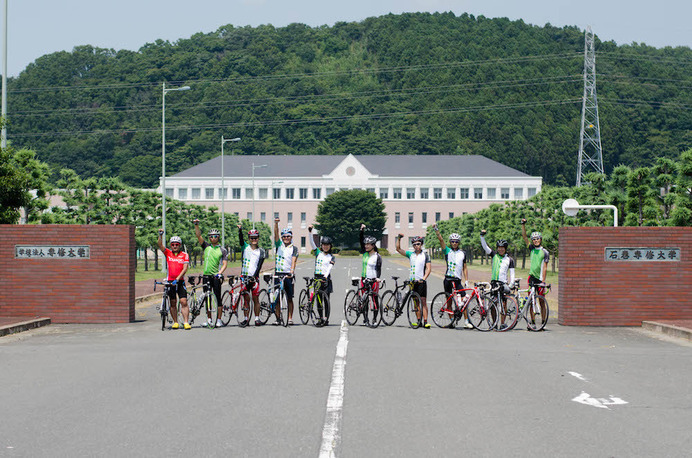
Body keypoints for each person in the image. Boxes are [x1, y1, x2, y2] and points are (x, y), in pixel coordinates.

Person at [433, 223, 472, 329]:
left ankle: (466, 321)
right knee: (449, 301)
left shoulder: (462, 253)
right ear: (450, 242)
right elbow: (441, 240)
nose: (454, 243)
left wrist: (466, 280)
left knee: (464, 300)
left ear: (458, 243)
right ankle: (451, 321)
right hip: (448, 279)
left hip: (458, 280)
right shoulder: (447, 251)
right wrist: (436, 230)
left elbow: (465, 267)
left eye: (456, 242)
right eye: (452, 241)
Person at [194, 219, 228, 328]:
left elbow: (224, 263)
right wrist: (196, 225)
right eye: (211, 236)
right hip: (206, 276)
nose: (213, 238)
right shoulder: (206, 247)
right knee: (207, 297)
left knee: (218, 298)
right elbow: (199, 236)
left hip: (216, 276)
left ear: (218, 237)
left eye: (215, 236)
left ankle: (218, 320)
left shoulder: (222, 250)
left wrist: (220, 273)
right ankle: (209, 319)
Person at [480, 230, 516, 330]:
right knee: (493, 304)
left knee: (504, 304)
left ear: (505, 248)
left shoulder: (509, 259)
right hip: (494, 283)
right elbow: (485, 247)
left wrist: (511, 284)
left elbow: (512, 273)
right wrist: (482, 236)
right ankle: (494, 323)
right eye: (499, 248)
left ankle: (503, 323)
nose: (500, 249)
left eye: (502, 248)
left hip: (503, 283)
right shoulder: (494, 255)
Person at [157, 230, 191, 330]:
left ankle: (185, 322)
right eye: (173, 244)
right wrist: (160, 235)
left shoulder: (184, 255)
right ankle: (175, 322)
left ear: (180, 245)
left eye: (176, 244)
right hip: (170, 281)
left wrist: (177, 278)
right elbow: (160, 245)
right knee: (173, 302)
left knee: (183, 301)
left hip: (179, 281)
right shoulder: (168, 253)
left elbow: (185, 268)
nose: (175, 246)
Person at [396, 234, 431, 328]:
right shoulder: (410, 254)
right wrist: (399, 238)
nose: (416, 246)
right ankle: (418, 321)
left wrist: (423, 279)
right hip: (412, 282)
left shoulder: (425, 255)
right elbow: (398, 249)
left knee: (423, 301)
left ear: (421, 244)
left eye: (418, 244)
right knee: (415, 301)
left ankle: (425, 321)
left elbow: (428, 269)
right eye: (414, 244)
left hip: (421, 282)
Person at [521, 218, 549, 326]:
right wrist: (523, 224)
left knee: (542, 301)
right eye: (534, 239)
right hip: (531, 278)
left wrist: (543, 280)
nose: (535, 241)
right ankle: (532, 322)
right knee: (531, 301)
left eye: (537, 239)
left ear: (540, 239)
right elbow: (524, 237)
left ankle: (543, 322)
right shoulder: (532, 248)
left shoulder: (545, 252)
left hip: (540, 279)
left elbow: (545, 267)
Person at [238, 224, 267, 327]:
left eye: (255, 238)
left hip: (254, 278)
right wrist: (240, 230)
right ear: (249, 239)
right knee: (246, 299)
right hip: (244, 277)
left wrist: (254, 276)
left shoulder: (261, 251)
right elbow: (241, 241)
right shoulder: (245, 247)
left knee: (255, 299)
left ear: (258, 238)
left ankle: (257, 318)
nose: (253, 239)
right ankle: (246, 319)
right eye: (251, 238)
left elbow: (259, 266)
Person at [307, 225, 336, 326]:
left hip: (326, 279)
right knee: (318, 301)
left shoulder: (331, 256)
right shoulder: (318, 253)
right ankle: (320, 318)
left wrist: (325, 276)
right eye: (324, 244)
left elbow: (329, 268)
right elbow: (311, 243)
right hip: (317, 278)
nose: (325, 246)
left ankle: (326, 319)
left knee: (326, 300)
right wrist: (310, 232)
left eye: (327, 245)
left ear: (330, 246)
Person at [273, 218, 298, 325]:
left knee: (289, 298)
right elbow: (275, 235)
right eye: (284, 236)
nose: (286, 238)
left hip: (288, 274)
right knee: (277, 298)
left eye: (288, 236)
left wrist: (291, 272)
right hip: (278, 274)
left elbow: (294, 260)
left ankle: (290, 318)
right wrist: (276, 224)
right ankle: (278, 318)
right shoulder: (279, 246)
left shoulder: (294, 248)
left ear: (291, 237)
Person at [359, 223, 382, 326]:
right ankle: (365, 319)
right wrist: (362, 230)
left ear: (373, 245)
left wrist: (378, 278)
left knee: (374, 299)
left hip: (373, 280)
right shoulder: (365, 253)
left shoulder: (377, 256)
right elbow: (360, 239)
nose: (366, 246)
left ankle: (375, 319)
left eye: (368, 244)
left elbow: (379, 269)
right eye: (365, 244)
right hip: (364, 279)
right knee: (365, 300)